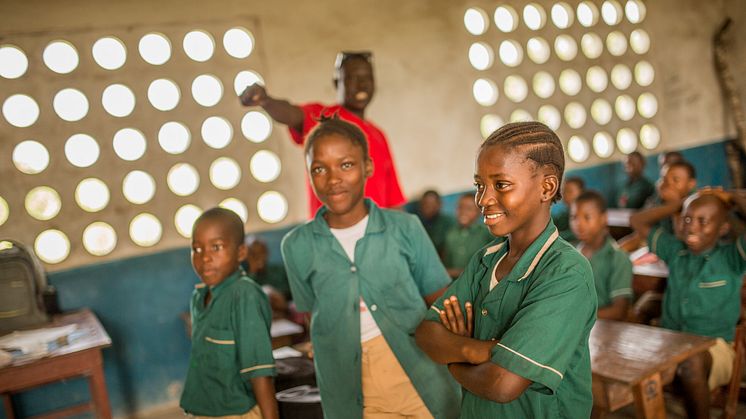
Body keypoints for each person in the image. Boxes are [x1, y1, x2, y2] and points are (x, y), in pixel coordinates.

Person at [281, 117, 460, 419]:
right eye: (319, 168)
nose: (333, 178)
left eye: (346, 165)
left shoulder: (405, 228)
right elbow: (316, 314)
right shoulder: (296, 246)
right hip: (347, 384)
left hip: (419, 368)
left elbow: (441, 301)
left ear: (368, 167)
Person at [415, 122, 596, 417]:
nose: (483, 199)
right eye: (479, 185)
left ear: (547, 187)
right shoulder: (486, 259)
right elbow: (426, 335)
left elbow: (502, 384)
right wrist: (477, 350)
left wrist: (453, 355)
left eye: (501, 185)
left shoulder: (566, 273)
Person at [240, 51, 405, 216]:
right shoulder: (324, 118)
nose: (361, 85)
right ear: (336, 83)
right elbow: (291, 114)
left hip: (376, 237)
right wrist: (266, 101)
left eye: (366, 78)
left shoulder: (379, 135)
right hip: (329, 236)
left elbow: (394, 201)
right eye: (352, 78)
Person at [630, 189, 746, 418]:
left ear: (723, 228)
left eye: (703, 221)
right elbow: (637, 220)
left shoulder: (732, 259)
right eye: (688, 219)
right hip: (671, 342)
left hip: (716, 348)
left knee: (690, 363)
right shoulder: (676, 251)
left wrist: (732, 197)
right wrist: (681, 203)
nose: (692, 227)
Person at [180, 208, 278, 419]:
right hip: (204, 410)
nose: (205, 257)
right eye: (196, 249)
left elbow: (259, 370)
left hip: (236, 413)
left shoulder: (244, 296)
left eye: (216, 247)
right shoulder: (200, 297)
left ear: (241, 253)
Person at [571, 190, 632, 321]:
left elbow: (619, 312)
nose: (578, 224)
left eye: (587, 217)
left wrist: (575, 317)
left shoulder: (618, 258)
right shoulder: (570, 255)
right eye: (574, 217)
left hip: (603, 329)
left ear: (603, 218)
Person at [443, 193, 493, 278]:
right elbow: (447, 263)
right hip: (454, 285)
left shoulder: (486, 233)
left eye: (469, 209)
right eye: (460, 208)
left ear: (479, 212)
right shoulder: (451, 234)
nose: (463, 212)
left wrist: (455, 272)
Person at [417, 190, 454, 258]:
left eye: (431, 204)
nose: (427, 207)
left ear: (439, 205)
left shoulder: (448, 222)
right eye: (425, 204)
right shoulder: (417, 222)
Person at [552, 176, 584, 243]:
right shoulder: (563, 215)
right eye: (564, 191)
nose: (565, 194)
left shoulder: (583, 213)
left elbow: (577, 233)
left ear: (581, 192)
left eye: (570, 191)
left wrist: (557, 236)